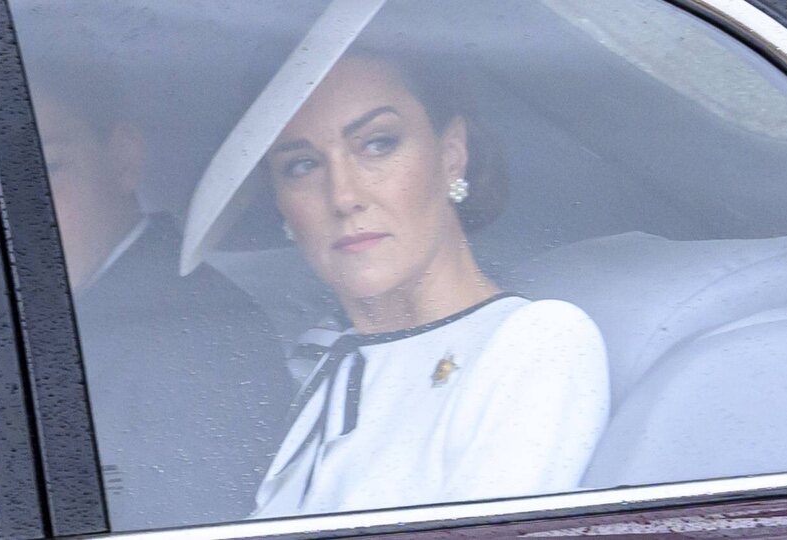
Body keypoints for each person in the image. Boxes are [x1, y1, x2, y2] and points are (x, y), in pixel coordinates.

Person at [251, 52, 611, 517]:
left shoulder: (536, 342)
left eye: (377, 144)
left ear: (451, 155)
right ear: (282, 205)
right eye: (302, 166)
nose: (343, 196)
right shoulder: (312, 357)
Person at [31, 88, 293, 527]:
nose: (16, 209)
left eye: (49, 168)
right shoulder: (67, 315)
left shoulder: (198, 338)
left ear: (122, 160)